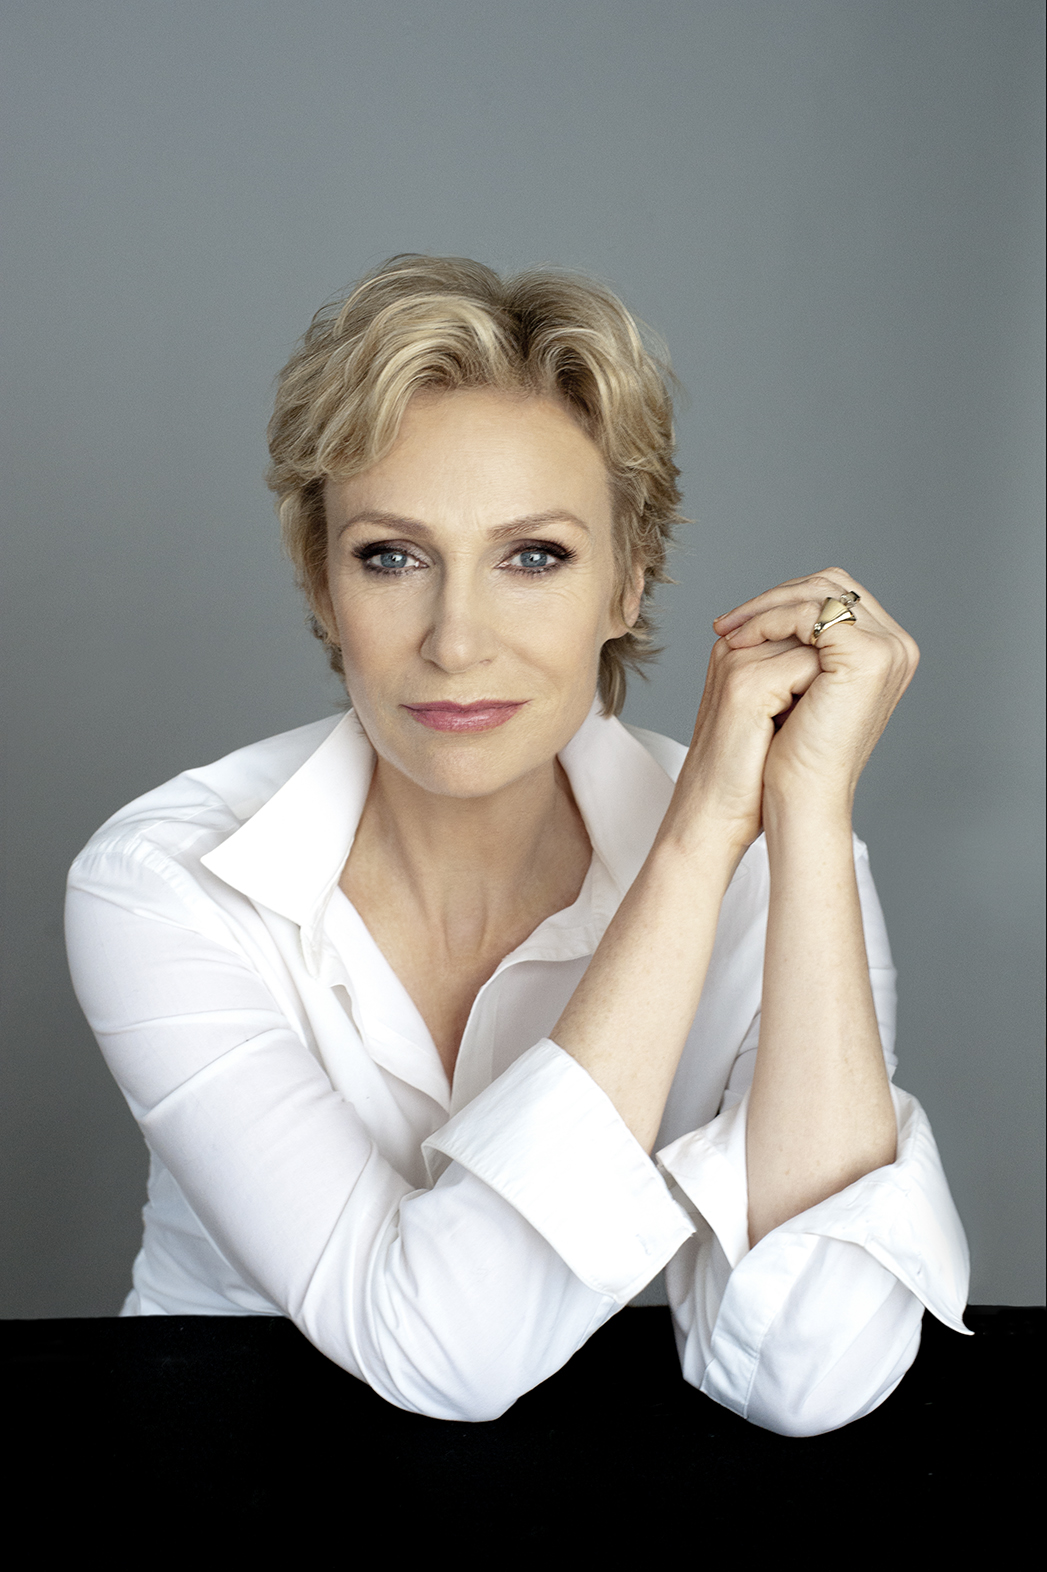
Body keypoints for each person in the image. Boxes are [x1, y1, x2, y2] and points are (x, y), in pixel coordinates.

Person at [65, 254, 969, 1436]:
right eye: (391, 556)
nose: (456, 640)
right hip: (224, 1452)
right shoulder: (165, 883)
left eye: (533, 556)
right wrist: (696, 834)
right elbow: (443, 1352)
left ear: (628, 581)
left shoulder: (778, 868)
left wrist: (803, 812)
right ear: (321, 582)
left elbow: (813, 1373)